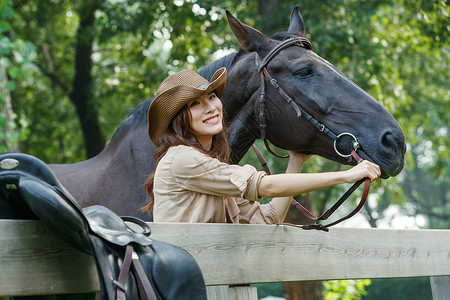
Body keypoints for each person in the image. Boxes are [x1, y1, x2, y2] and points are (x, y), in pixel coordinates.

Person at [143, 67, 381, 224]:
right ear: (179, 119)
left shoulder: (211, 168)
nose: (210, 108)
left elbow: (268, 219)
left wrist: (296, 161)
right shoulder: (181, 158)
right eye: (195, 103)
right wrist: (347, 176)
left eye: (212, 97)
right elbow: (266, 187)